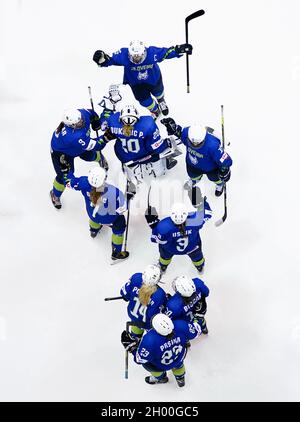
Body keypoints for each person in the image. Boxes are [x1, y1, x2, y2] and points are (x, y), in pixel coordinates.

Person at [93, 40, 192, 118]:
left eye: (139, 56)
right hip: (136, 84)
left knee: (158, 93)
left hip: (153, 79)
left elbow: (166, 52)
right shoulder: (123, 54)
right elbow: (110, 59)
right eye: (134, 56)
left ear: (144, 51)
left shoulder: (152, 53)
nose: (136, 59)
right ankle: (155, 110)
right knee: (144, 101)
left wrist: (179, 49)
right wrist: (102, 59)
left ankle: (161, 101)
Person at [99, 104, 179, 198]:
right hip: (143, 155)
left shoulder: (113, 120)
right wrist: (166, 143)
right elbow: (155, 147)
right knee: (159, 153)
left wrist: (106, 111)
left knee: (129, 163)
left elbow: (104, 123)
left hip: (123, 156)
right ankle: (160, 175)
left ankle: (132, 178)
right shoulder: (147, 124)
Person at [121, 313, 203, 387]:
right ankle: (180, 379)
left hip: (161, 364)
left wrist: (131, 347)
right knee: (178, 364)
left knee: (147, 365)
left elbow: (139, 359)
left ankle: (160, 378)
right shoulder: (180, 325)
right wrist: (198, 319)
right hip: (179, 357)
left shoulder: (150, 339)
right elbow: (197, 331)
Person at [50, 108, 108, 209]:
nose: (81, 123)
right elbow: (97, 145)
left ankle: (99, 158)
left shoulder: (82, 114)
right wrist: (108, 136)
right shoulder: (73, 137)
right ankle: (55, 194)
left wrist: (95, 121)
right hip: (62, 154)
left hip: (78, 147)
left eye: (81, 120)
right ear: (70, 125)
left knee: (90, 156)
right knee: (63, 177)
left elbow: (90, 112)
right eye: (77, 123)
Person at [67, 166, 129, 262]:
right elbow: (123, 208)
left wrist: (69, 172)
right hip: (109, 219)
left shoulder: (83, 182)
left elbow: (69, 183)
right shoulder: (114, 192)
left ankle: (93, 230)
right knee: (120, 225)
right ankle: (116, 252)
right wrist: (128, 196)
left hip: (92, 214)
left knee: (94, 217)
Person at [161, 118, 233, 197]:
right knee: (193, 175)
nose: (195, 145)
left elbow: (224, 159)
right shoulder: (187, 133)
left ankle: (220, 185)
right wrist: (174, 128)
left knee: (216, 179)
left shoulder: (213, 145)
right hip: (192, 164)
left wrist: (224, 170)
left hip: (211, 169)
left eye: (197, 143)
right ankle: (194, 180)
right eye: (193, 142)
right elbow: (180, 134)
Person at [145, 201, 212, 274]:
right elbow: (208, 213)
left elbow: (156, 240)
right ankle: (200, 267)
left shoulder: (163, 226)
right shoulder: (195, 220)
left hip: (170, 250)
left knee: (164, 256)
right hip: (192, 248)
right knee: (197, 258)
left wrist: (154, 225)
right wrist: (201, 202)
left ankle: (163, 267)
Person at [120, 264, 167, 339]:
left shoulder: (136, 277)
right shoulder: (160, 294)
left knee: (134, 340)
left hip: (133, 317)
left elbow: (124, 294)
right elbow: (156, 315)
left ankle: (134, 340)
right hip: (148, 324)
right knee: (153, 341)